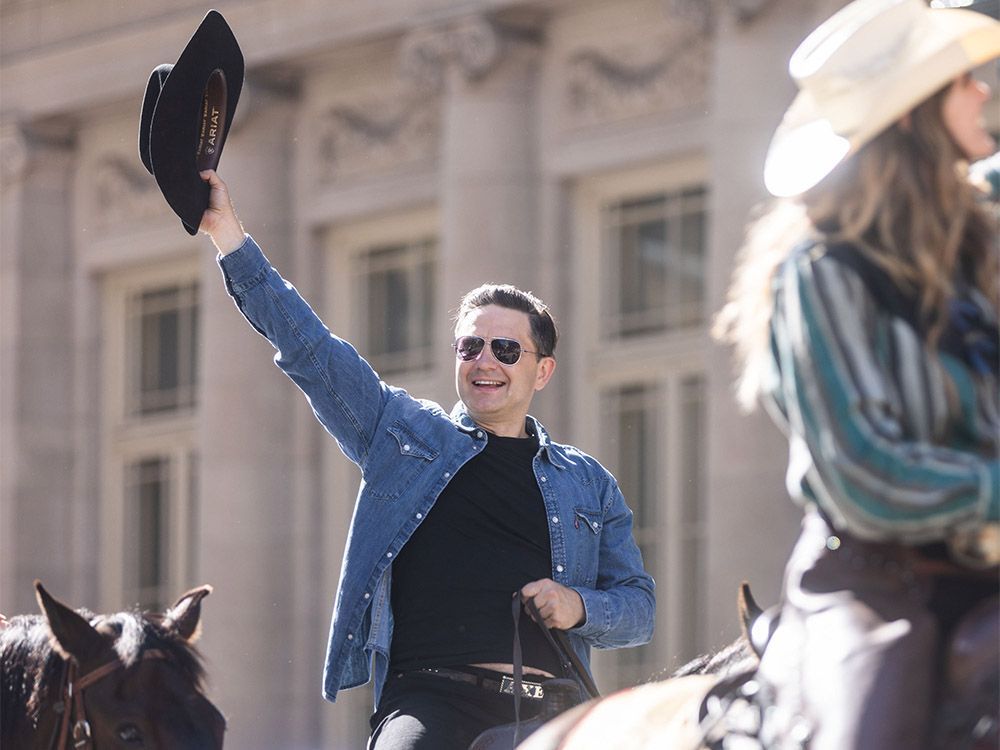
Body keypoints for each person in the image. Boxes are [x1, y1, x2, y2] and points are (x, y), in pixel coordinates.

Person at [198, 171, 655, 749]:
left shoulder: (588, 482)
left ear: (542, 370)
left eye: (507, 349)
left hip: (547, 710)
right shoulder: (403, 437)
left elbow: (639, 608)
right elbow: (311, 350)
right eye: (471, 346)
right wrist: (227, 234)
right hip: (427, 700)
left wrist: (577, 605)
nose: (485, 360)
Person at [713, 0, 999, 748]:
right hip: (878, 582)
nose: (984, 91)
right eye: (962, 81)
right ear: (910, 117)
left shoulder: (981, 257)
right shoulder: (821, 274)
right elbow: (867, 475)